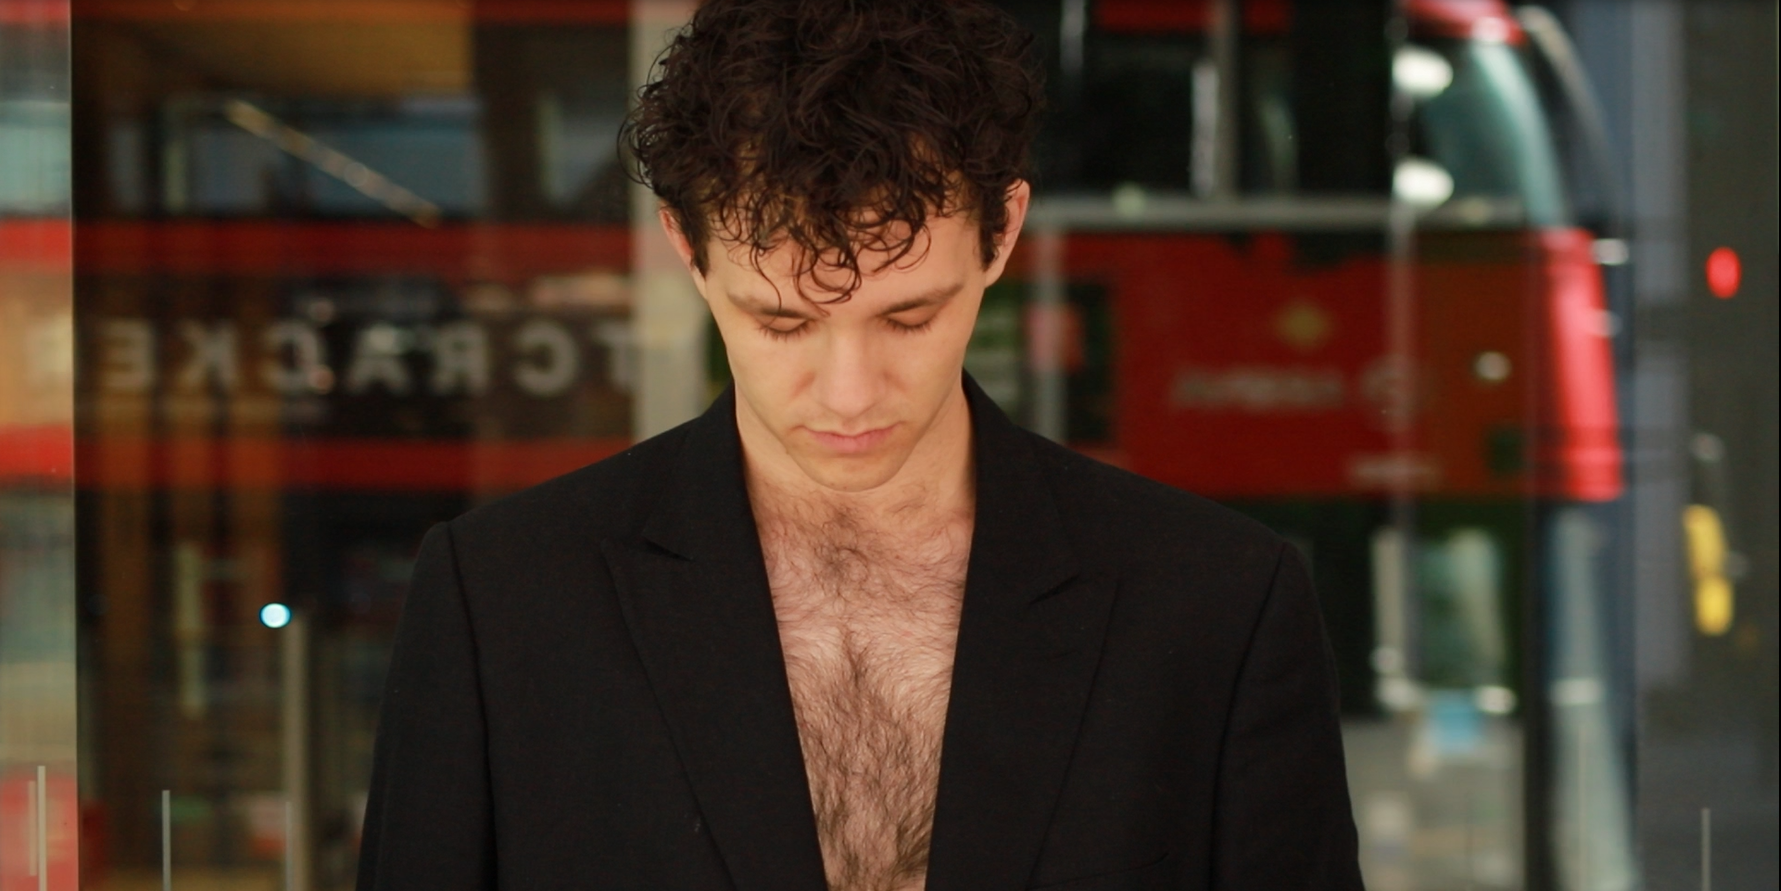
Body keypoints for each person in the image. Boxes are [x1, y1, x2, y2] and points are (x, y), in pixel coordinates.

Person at [356, 1, 1362, 889]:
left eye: (908, 316)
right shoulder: (502, 600)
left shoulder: (1217, 605)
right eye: (781, 322)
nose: (848, 395)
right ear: (683, 247)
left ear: (1001, 232)